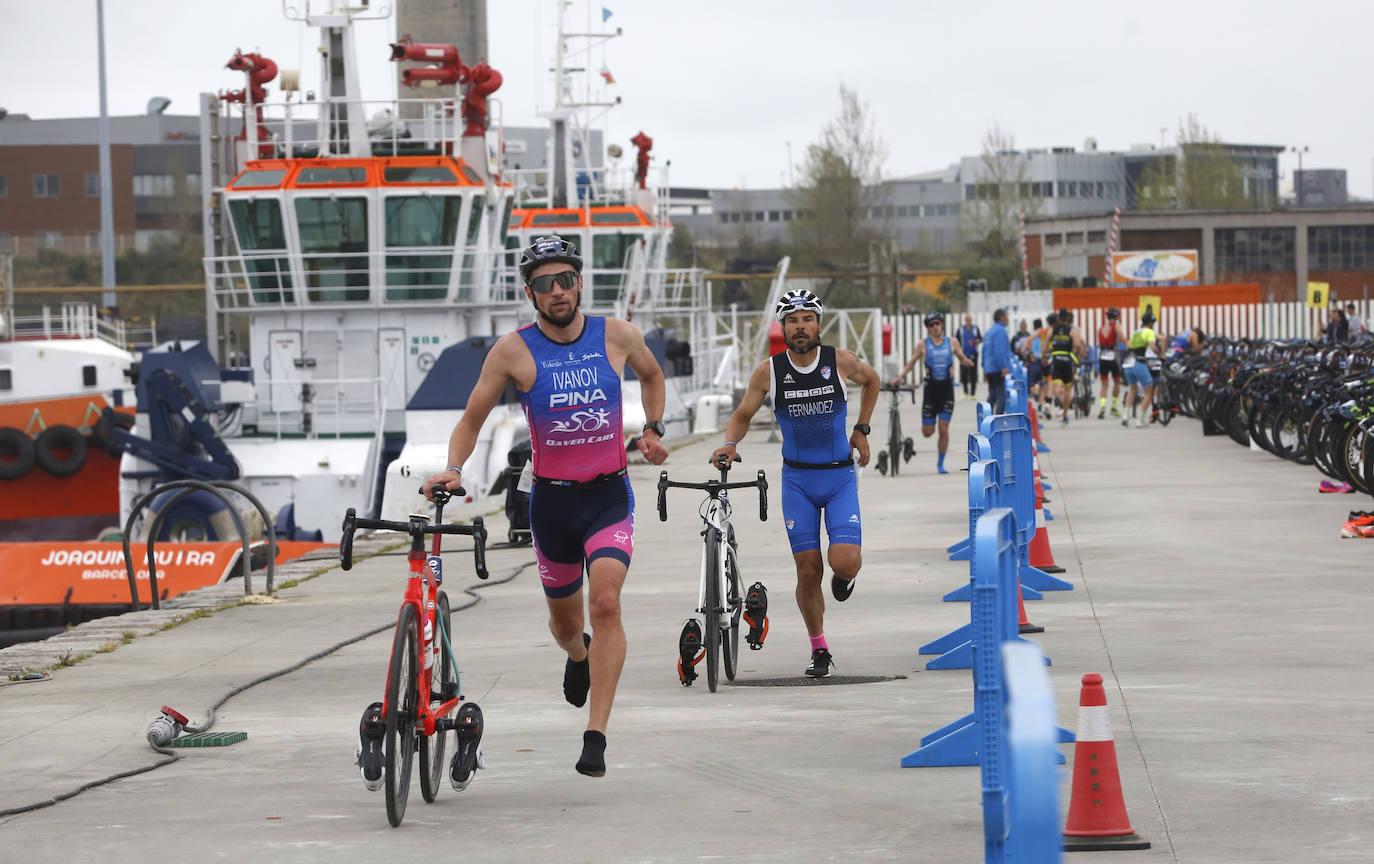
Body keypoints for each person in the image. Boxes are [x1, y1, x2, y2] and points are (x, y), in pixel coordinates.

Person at [420, 235, 669, 779]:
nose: (556, 291)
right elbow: (472, 419)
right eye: (542, 284)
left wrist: (651, 428)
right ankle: (577, 656)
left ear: (579, 283)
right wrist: (455, 469)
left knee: (606, 605)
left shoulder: (618, 335)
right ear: (530, 294)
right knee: (565, 624)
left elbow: (652, 375)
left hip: (608, 496)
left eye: (564, 280)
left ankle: (596, 735)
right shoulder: (513, 351)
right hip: (551, 505)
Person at [711, 289, 879, 679]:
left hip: (838, 477)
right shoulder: (768, 371)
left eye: (806, 319)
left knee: (845, 562)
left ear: (819, 325)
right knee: (807, 570)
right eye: (791, 320)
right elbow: (742, 413)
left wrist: (862, 430)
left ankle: (844, 579)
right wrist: (729, 442)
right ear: (782, 327)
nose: (799, 326)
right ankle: (819, 648)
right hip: (798, 481)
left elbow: (872, 382)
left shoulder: (840, 361)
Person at [892, 311, 976, 474]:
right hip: (930, 391)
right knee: (928, 432)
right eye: (932, 324)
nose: (935, 327)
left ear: (941, 324)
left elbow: (960, 356)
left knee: (943, 428)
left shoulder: (952, 342)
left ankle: (940, 463)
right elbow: (912, 362)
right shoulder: (922, 345)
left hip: (946, 390)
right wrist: (901, 377)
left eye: (937, 323)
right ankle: (913, 441)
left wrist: (966, 361)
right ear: (928, 328)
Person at [1122, 312, 1163, 429]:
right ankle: (1140, 420)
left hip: (1129, 363)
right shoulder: (1149, 332)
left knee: (1132, 390)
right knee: (1148, 392)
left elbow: (1128, 346)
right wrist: (1160, 355)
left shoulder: (1136, 332)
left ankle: (1125, 415)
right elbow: (1153, 346)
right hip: (1139, 363)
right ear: (1151, 323)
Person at [1047, 308, 1085, 425]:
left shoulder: (1052, 330)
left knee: (1057, 387)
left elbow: (1045, 347)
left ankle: (1060, 393)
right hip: (1068, 362)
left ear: (1058, 318)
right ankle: (1064, 415)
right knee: (1069, 389)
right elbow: (1079, 346)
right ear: (1068, 318)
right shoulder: (1073, 330)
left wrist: (1046, 354)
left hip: (1056, 360)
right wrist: (1076, 358)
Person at [981, 308, 1012, 414]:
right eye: (1007, 316)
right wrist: (1003, 366)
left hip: (989, 368)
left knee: (993, 394)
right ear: (1002, 317)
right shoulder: (1001, 331)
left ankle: (985, 416)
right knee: (1001, 395)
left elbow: (984, 351)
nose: (1008, 319)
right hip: (997, 368)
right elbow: (999, 350)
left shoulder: (989, 331)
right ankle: (998, 418)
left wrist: (984, 367)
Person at [1096, 307, 1125, 419]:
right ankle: (1113, 407)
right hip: (1114, 357)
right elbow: (1122, 339)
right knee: (1117, 381)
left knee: (1104, 384)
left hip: (1103, 356)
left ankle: (1102, 407)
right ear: (1117, 316)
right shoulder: (1116, 326)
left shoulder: (1102, 328)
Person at [954, 314, 982, 400]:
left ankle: (973, 394)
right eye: (967, 320)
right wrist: (959, 348)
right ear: (965, 321)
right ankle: (965, 392)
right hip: (963, 355)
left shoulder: (975, 329)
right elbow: (956, 341)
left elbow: (981, 339)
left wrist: (977, 340)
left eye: (970, 320)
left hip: (973, 354)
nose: (968, 322)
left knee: (973, 374)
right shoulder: (961, 330)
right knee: (964, 374)